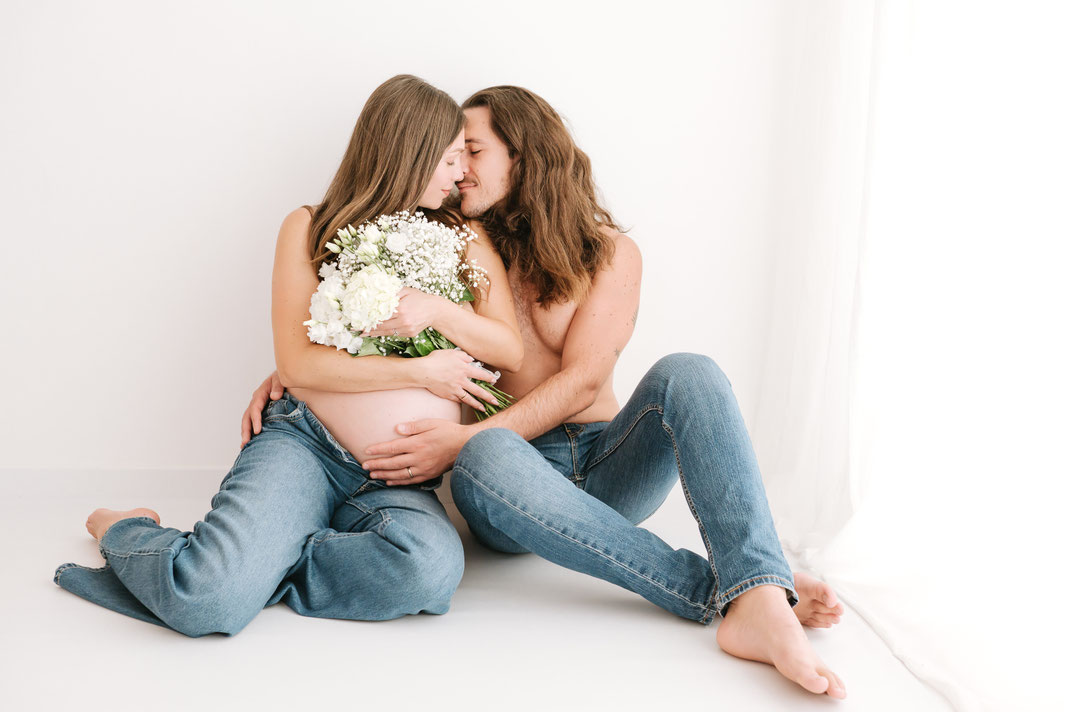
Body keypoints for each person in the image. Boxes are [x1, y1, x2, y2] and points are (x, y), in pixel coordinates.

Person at [242, 85, 847, 698]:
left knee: (690, 370)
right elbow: (371, 322)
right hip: (505, 475)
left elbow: (582, 380)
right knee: (489, 452)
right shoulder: (450, 240)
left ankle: (759, 588)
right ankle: (729, 594)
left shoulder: (612, 252)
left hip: (608, 462)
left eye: (472, 150)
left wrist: (460, 438)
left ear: (523, 157)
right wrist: (300, 376)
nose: (457, 169)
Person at [53, 75, 523, 637]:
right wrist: (421, 371)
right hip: (306, 445)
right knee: (207, 605)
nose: (459, 174)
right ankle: (129, 533)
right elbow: (298, 366)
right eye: (448, 159)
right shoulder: (310, 226)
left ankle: (249, 565)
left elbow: (509, 350)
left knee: (428, 574)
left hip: (397, 477)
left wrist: (436, 311)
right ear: (410, 153)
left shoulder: (462, 236)